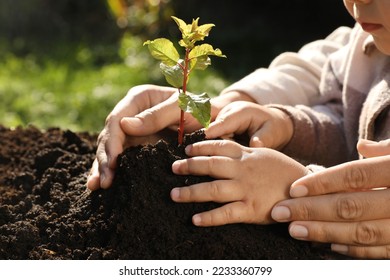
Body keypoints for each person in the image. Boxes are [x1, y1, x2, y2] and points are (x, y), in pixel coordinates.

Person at [87, 0, 390, 258]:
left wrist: (298, 190)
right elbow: (346, 102)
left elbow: (374, 204)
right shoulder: (371, 40)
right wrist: (283, 124)